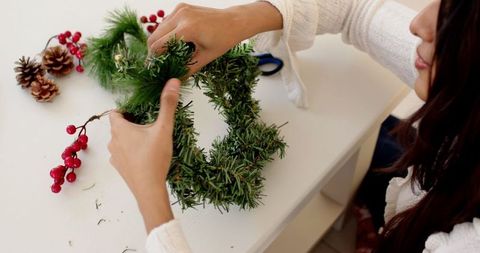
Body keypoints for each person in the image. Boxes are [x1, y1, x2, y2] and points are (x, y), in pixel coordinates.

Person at [107, 0, 480, 252]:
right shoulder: (464, 87)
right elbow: (360, 10)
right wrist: (239, 20)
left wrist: (151, 196)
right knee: (371, 137)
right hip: (444, 169)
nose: (418, 22)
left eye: (456, 18)